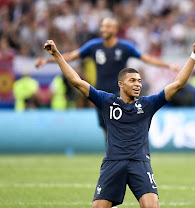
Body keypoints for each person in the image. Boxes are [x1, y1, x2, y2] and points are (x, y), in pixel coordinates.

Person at [43, 38, 195, 208]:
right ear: (121, 84)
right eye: (132, 81)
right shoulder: (107, 102)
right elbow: (76, 81)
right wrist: (56, 54)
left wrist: (194, 55)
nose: (137, 84)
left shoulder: (148, 104)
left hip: (139, 162)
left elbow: (178, 83)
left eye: (139, 81)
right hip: (113, 162)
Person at [36, 17, 178, 134]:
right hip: (100, 94)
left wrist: (168, 66)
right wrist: (48, 60)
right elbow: (72, 55)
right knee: (106, 129)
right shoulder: (94, 46)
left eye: (108, 26)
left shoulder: (125, 47)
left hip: (119, 93)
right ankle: (112, 158)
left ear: (115, 30)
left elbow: (146, 58)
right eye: (103, 26)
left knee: (121, 127)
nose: (104, 29)